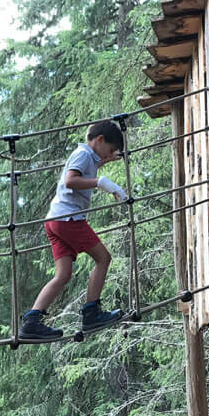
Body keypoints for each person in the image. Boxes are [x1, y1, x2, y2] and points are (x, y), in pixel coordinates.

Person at [18, 121, 128, 341]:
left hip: (55, 221)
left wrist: (106, 160)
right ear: (99, 140)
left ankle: (31, 321)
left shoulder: (88, 156)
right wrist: (101, 182)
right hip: (69, 219)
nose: (108, 155)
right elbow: (71, 180)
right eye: (109, 150)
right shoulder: (83, 155)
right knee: (103, 258)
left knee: (63, 275)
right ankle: (92, 313)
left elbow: (92, 165)